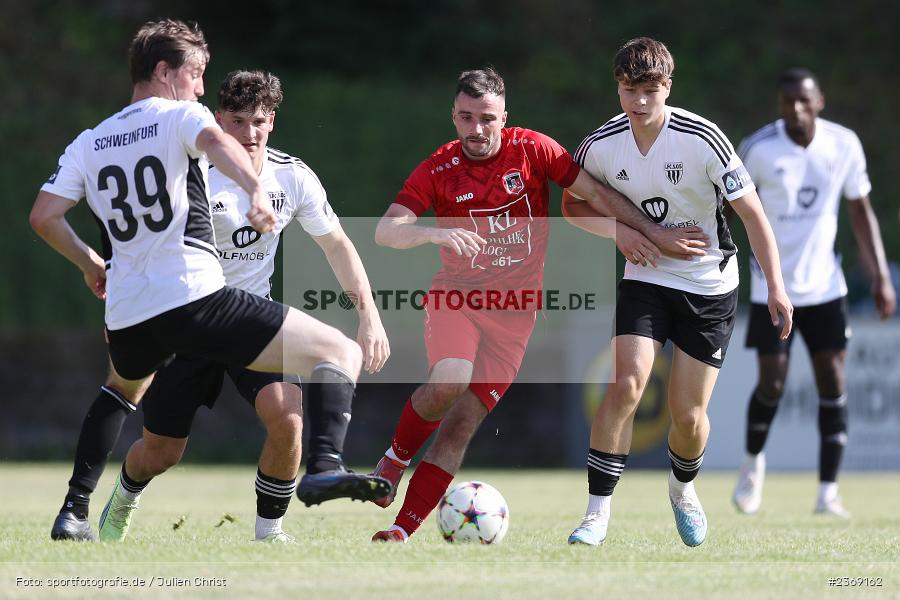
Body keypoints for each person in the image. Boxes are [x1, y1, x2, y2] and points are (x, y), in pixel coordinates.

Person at [29, 20, 380, 542]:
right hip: (198, 301)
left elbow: (43, 216)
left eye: (260, 122)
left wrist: (90, 264)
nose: (198, 87)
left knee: (125, 393)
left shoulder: (92, 139)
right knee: (334, 355)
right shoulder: (183, 124)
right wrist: (255, 190)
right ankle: (325, 465)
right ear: (166, 70)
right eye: (195, 75)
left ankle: (75, 513)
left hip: (136, 310)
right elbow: (214, 140)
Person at [368, 67, 711, 543]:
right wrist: (436, 232)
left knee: (463, 423)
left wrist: (651, 232)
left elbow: (595, 194)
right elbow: (386, 231)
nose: (476, 129)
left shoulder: (533, 149)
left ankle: (402, 530)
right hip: (458, 299)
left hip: (515, 315)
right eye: (466, 118)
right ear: (454, 116)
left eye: (486, 118)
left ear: (504, 117)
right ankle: (395, 459)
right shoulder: (439, 167)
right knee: (450, 378)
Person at [561, 37, 792, 548]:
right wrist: (622, 235)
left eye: (648, 90)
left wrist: (776, 285)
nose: (638, 102)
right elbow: (572, 207)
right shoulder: (601, 144)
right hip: (646, 278)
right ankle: (597, 513)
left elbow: (752, 214)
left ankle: (682, 489)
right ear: (617, 89)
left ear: (667, 87)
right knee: (626, 385)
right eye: (628, 90)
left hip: (710, 285)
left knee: (688, 417)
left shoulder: (702, 138)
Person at [731, 68, 896, 518]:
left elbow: (860, 211)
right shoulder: (758, 148)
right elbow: (732, 210)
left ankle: (828, 492)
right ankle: (752, 464)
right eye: (787, 102)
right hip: (773, 286)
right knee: (773, 382)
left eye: (804, 101)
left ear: (820, 101)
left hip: (825, 287)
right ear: (779, 104)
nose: (796, 110)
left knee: (833, 381)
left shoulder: (843, 144)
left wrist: (879, 274)